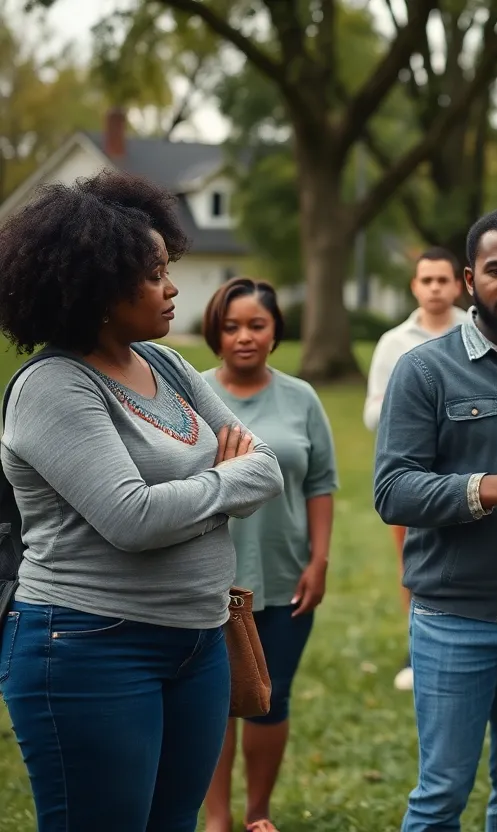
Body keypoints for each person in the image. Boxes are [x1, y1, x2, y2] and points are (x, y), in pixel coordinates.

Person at [0, 170, 284, 831]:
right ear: (100, 288)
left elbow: (265, 467)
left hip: (199, 643)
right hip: (91, 646)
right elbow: (133, 519)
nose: (173, 286)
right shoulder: (55, 388)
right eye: (155, 273)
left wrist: (186, 496)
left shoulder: (167, 366)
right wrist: (222, 484)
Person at [372, 208, 497, 831]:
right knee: (441, 797)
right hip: (453, 618)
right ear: (469, 279)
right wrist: (490, 489)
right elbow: (393, 491)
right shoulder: (425, 369)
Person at [199, 278, 339, 832]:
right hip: (208, 578)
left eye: (256, 325)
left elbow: (322, 483)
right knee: (211, 702)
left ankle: (258, 814)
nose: (244, 337)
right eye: (231, 326)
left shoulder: (301, 397)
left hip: (285, 579)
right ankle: (218, 818)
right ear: (215, 331)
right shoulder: (194, 393)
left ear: (276, 330)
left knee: (269, 697)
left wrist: (320, 560)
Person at [363, 246, 469, 692]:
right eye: (426, 281)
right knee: (413, 562)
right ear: (415, 286)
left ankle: (465, 640)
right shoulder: (394, 342)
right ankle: (417, 648)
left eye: (442, 280)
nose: (435, 288)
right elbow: (372, 412)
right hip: (413, 473)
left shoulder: (474, 333)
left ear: (458, 284)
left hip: (467, 470)